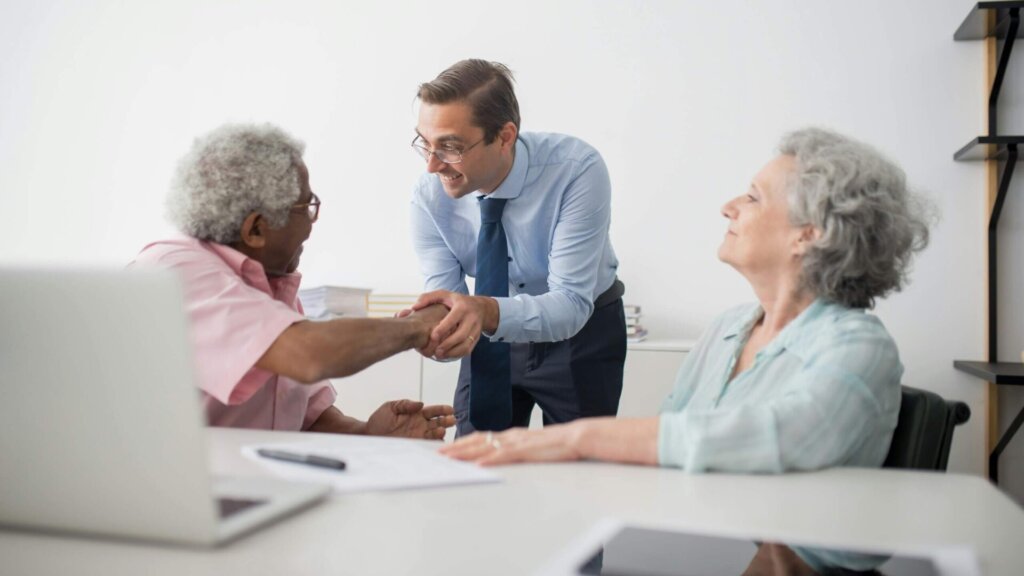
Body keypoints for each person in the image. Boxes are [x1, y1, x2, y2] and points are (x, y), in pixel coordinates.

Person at [442, 127, 932, 571]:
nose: (729, 206)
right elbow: (669, 449)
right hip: (749, 552)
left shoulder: (860, 346)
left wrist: (573, 439)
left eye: (754, 198)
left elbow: (775, 439)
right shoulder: (730, 329)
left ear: (809, 235)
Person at [131, 123, 458, 439]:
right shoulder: (174, 273)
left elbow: (303, 416)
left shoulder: (266, 283)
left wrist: (367, 433)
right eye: (306, 206)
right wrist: (418, 326)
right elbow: (309, 355)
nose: (312, 224)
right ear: (256, 229)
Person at [408, 59, 626, 436]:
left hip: (582, 333)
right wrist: (433, 333)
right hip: (488, 333)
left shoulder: (576, 169)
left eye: (450, 147)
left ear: (505, 137)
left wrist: (480, 312)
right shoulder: (428, 198)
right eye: (425, 144)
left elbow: (571, 304)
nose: (432, 165)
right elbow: (449, 304)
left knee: (581, 469)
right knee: (475, 457)